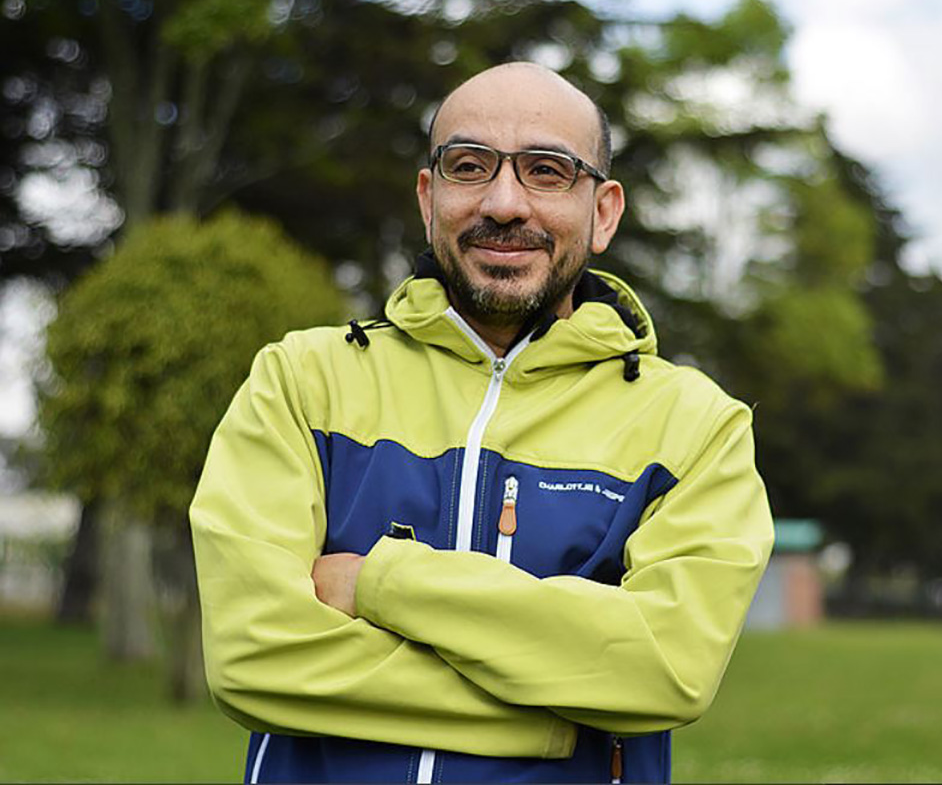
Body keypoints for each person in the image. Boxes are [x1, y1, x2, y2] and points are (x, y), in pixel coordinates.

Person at [190, 62, 774, 785]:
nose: (503, 202)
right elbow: (254, 657)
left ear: (604, 212)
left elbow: (665, 667)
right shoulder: (301, 381)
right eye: (469, 167)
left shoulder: (695, 426)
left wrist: (381, 581)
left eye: (547, 171)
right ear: (428, 197)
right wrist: (556, 714)